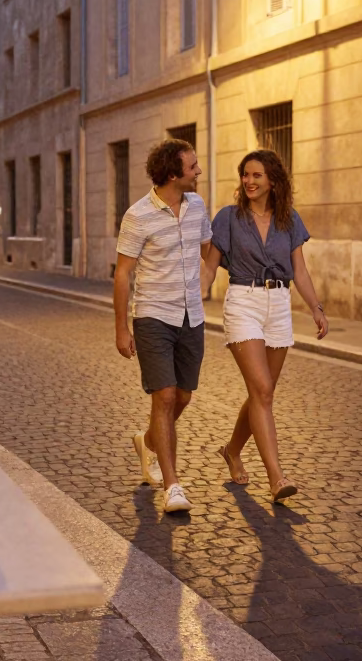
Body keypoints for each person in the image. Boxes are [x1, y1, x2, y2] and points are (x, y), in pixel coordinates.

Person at [201, 149, 327, 504]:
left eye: (257, 175)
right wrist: (194, 298)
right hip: (243, 300)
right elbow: (210, 266)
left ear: (273, 180)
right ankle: (276, 478)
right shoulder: (228, 217)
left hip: (279, 305)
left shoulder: (288, 220)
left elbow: (299, 271)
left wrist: (316, 309)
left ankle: (232, 450)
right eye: (245, 175)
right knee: (261, 389)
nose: (250, 181)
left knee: (263, 392)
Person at [114, 138, 211, 514]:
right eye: (193, 166)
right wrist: (122, 328)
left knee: (183, 397)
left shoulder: (197, 206)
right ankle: (172, 486)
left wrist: (215, 279)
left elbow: (209, 251)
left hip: (192, 316)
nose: (198, 172)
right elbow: (123, 274)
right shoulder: (138, 215)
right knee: (165, 396)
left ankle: (148, 440)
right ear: (173, 174)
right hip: (153, 314)